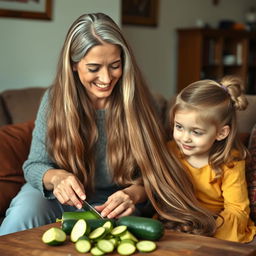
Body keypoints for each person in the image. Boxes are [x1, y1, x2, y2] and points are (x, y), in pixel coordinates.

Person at [0, 13, 215, 236]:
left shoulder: (142, 102)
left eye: (115, 65)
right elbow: (33, 165)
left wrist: (134, 195)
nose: (106, 78)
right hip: (57, 198)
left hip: (116, 204)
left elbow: (155, 175)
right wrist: (57, 177)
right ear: (74, 65)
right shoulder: (54, 100)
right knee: (25, 212)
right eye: (94, 68)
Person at [167, 76, 256, 243]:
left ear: (221, 133)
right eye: (179, 127)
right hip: (180, 219)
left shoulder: (231, 162)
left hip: (216, 223)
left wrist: (208, 232)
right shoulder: (170, 151)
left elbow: (237, 209)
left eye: (196, 132)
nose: (185, 138)